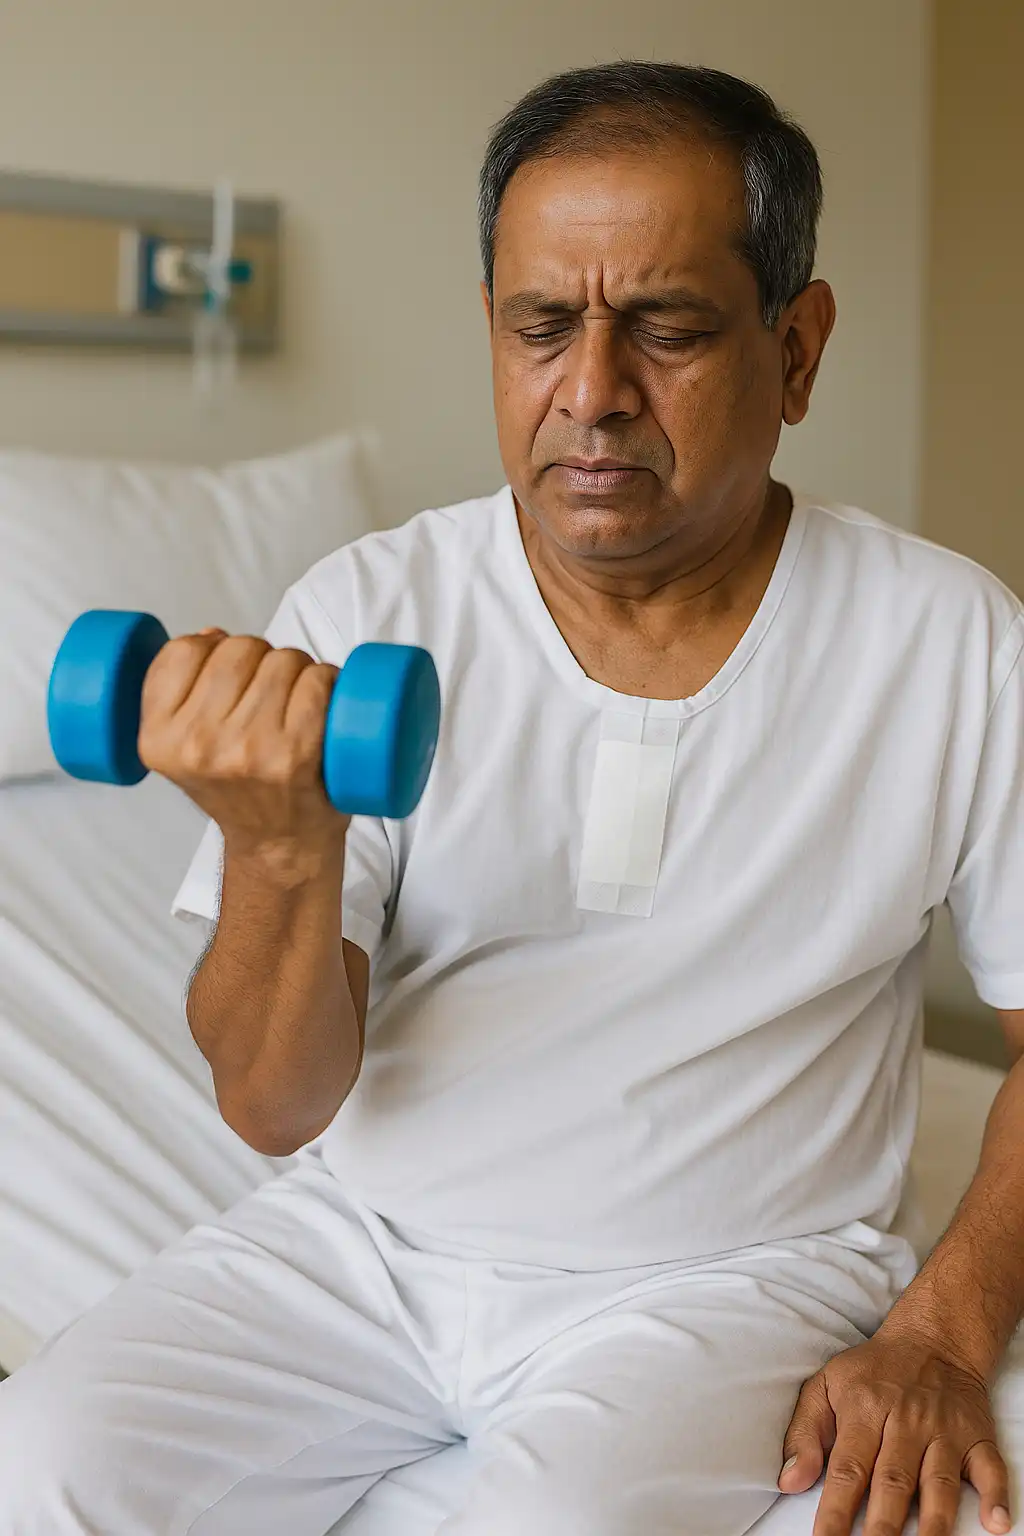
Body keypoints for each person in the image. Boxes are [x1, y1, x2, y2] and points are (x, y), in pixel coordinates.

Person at [1, 59, 1022, 1536]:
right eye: (542, 327)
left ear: (797, 351)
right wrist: (280, 848)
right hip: (368, 1247)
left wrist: (943, 1333)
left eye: (666, 329)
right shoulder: (369, 605)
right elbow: (274, 1108)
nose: (591, 394)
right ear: (493, 330)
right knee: (42, 1460)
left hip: (734, 1274)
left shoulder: (955, 642)